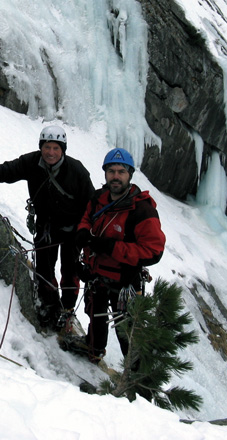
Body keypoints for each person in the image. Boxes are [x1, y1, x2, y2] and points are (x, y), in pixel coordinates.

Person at [0, 125, 95, 330]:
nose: (50, 152)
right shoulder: (31, 163)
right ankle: (49, 305)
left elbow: (92, 205)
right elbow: (6, 171)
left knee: (70, 270)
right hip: (47, 226)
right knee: (44, 268)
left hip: (73, 231)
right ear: (41, 147)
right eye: (47, 147)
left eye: (55, 148)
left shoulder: (77, 171)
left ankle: (66, 312)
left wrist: (87, 235)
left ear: (63, 150)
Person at [74, 148, 166, 363]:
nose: (115, 176)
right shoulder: (99, 199)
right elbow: (87, 218)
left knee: (127, 329)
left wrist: (110, 247)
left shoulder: (142, 210)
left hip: (125, 279)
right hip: (96, 273)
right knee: (96, 316)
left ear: (130, 175)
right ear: (105, 174)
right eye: (111, 171)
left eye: (121, 172)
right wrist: (83, 231)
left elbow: (153, 251)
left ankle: (134, 374)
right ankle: (94, 349)